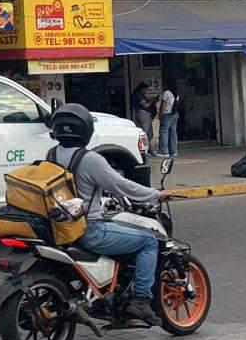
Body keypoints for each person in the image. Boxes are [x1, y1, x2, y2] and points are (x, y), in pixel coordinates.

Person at [49, 103, 180, 326]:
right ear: (85, 131)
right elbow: (123, 186)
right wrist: (156, 194)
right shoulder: (90, 160)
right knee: (148, 241)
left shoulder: (52, 154)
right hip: (89, 229)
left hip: (60, 226)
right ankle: (140, 300)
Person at [130, 82, 156, 156]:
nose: (146, 91)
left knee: (150, 133)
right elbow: (145, 105)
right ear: (142, 89)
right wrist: (152, 100)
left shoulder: (138, 95)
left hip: (142, 114)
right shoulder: (138, 95)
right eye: (145, 89)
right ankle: (144, 151)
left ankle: (151, 150)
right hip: (143, 114)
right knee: (145, 133)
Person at [157, 82, 179, 157]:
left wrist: (160, 113)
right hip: (175, 114)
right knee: (173, 132)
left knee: (163, 132)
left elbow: (163, 104)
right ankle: (174, 151)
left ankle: (164, 151)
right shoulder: (176, 94)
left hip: (167, 114)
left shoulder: (166, 93)